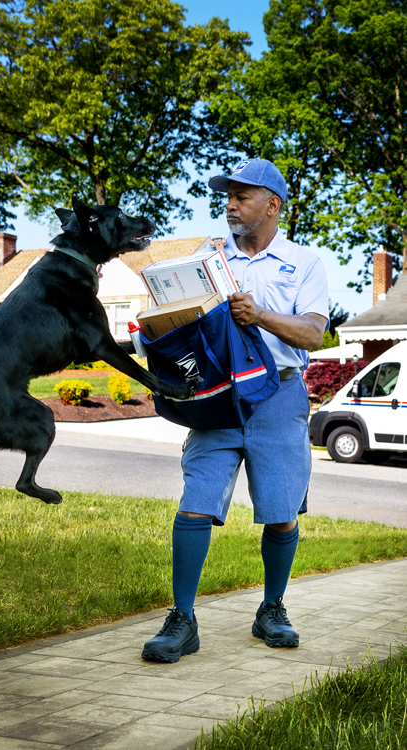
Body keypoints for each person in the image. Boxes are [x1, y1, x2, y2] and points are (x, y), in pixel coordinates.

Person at [141, 158, 329, 663]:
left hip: (279, 397)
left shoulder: (305, 262)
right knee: (195, 501)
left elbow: (313, 332)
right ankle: (182, 620)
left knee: (282, 512)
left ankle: (272, 609)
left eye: (241, 196)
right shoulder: (208, 256)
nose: (229, 204)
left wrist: (260, 314)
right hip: (218, 399)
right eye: (227, 195)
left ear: (272, 206)